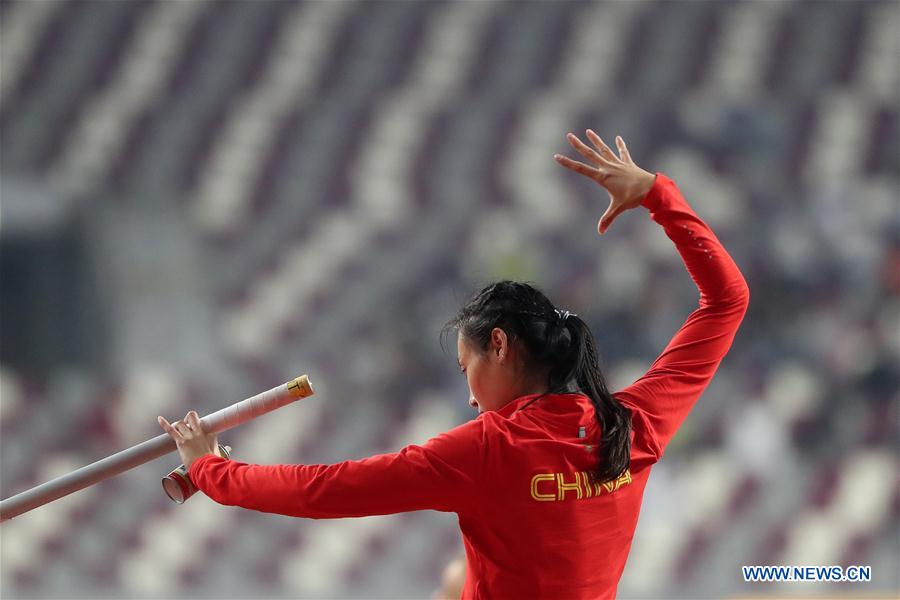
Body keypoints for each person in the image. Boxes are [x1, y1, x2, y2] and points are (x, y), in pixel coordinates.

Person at [159, 131, 750, 599]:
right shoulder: (632, 424)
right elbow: (728, 300)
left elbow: (323, 491)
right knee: (453, 581)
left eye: (465, 368)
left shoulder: (488, 449)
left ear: (499, 346)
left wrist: (210, 471)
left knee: (451, 582)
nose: (469, 395)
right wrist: (656, 194)